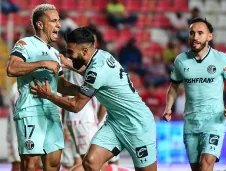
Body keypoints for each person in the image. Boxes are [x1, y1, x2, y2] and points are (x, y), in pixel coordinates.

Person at [30, 27, 157, 171]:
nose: (69, 55)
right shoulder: (100, 56)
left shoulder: (98, 70)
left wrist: (49, 95)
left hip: (137, 125)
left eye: (70, 52)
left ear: (84, 51)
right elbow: (85, 72)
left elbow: (76, 105)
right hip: (115, 123)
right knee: (90, 162)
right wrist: (67, 63)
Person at [162, 17, 226, 171]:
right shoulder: (181, 60)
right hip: (191, 124)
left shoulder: (221, 59)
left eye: (200, 33)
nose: (195, 37)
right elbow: (173, 86)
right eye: (192, 33)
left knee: (205, 165)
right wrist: (168, 107)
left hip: (214, 122)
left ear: (209, 36)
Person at [6, 4, 67, 171]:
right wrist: (42, 63)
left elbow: (62, 85)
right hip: (31, 110)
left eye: (58, 21)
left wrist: (87, 90)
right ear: (40, 24)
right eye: (54, 21)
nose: (59, 25)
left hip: (52, 111)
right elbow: (12, 68)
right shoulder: (25, 43)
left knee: (54, 163)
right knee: (30, 165)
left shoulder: (55, 53)